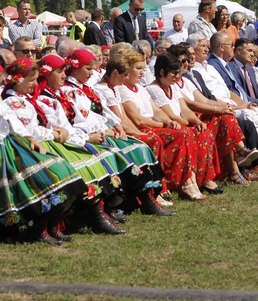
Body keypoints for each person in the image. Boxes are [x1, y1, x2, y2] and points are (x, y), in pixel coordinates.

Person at [0, 57, 87, 244]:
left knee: (60, 169)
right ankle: (36, 229)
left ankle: (51, 225)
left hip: (12, 145)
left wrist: (29, 137)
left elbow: (10, 119)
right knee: (39, 179)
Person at [62, 49, 170, 215]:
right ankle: (117, 203)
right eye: (88, 69)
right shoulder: (68, 91)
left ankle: (147, 199)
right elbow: (78, 120)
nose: (92, 74)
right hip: (87, 136)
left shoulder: (84, 88)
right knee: (129, 149)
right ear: (75, 68)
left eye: (92, 69)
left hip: (102, 131)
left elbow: (103, 111)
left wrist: (116, 124)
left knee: (139, 147)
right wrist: (107, 129)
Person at [33, 54, 129, 233]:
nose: (64, 75)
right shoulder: (43, 98)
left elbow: (73, 123)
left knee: (99, 154)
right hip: (49, 144)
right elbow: (58, 128)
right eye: (60, 72)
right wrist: (86, 138)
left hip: (65, 138)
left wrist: (103, 129)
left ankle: (103, 210)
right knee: (90, 159)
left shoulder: (56, 94)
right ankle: (94, 215)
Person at [189, 35, 258, 180]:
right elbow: (207, 97)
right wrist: (226, 107)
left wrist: (243, 104)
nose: (206, 48)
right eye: (202, 46)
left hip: (230, 104)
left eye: (206, 45)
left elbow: (228, 90)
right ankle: (251, 165)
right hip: (218, 107)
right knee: (249, 118)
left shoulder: (210, 67)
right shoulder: (197, 70)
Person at [114, 49, 208, 200]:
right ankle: (176, 184)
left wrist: (168, 121)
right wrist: (162, 125)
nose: (142, 73)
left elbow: (156, 111)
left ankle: (189, 180)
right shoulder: (123, 89)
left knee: (188, 132)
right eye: (138, 69)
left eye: (143, 69)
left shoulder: (139, 89)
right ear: (127, 69)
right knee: (183, 134)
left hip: (153, 125)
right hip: (142, 128)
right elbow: (137, 119)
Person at [165, 45, 258, 183]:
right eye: (182, 61)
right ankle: (239, 159)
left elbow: (204, 99)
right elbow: (191, 105)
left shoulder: (185, 81)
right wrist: (217, 109)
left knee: (227, 117)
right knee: (227, 119)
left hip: (200, 114)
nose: (186, 63)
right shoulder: (173, 82)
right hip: (191, 117)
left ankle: (238, 164)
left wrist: (223, 106)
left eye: (187, 60)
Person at [146, 54, 221, 194]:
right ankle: (187, 179)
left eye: (178, 73)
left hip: (180, 123)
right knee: (190, 133)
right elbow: (170, 115)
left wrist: (197, 122)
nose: (177, 77)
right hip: (171, 125)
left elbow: (184, 110)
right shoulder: (154, 89)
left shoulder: (172, 87)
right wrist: (188, 124)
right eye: (173, 73)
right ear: (162, 72)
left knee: (204, 132)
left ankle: (203, 178)